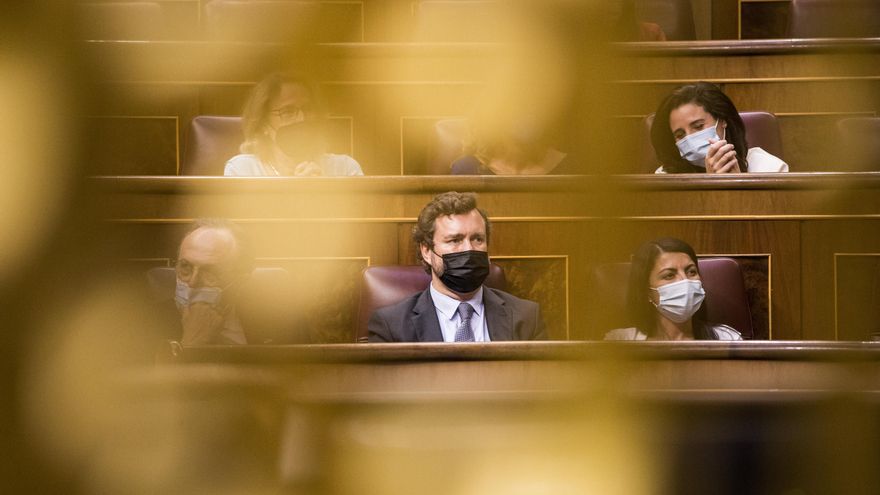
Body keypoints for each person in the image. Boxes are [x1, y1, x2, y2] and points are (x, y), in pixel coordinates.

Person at [368, 192, 546, 342]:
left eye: (477, 239)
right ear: (427, 251)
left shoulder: (528, 318)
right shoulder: (391, 327)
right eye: (455, 240)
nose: (469, 249)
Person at [224, 72, 363, 177]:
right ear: (263, 124)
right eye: (288, 112)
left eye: (308, 109)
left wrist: (323, 192)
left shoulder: (344, 169)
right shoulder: (242, 171)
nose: (302, 119)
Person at [604, 237, 742, 341]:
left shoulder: (727, 339)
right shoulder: (619, 342)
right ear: (647, 291)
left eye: (691, 272)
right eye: (669, 275)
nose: (685, 280)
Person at [650, 81, 788, 174]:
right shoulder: (664, 177)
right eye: (680, 135)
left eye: (698, 127)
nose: (690, 138)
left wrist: (736, 184)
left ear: (722, 120)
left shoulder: (770, 168)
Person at [164, 219, 255, 345]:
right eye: (185, 266)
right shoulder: (143, 320)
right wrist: (193, 341)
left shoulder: (272, 320)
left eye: (210, 272)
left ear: (240, 280)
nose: (192, 282)